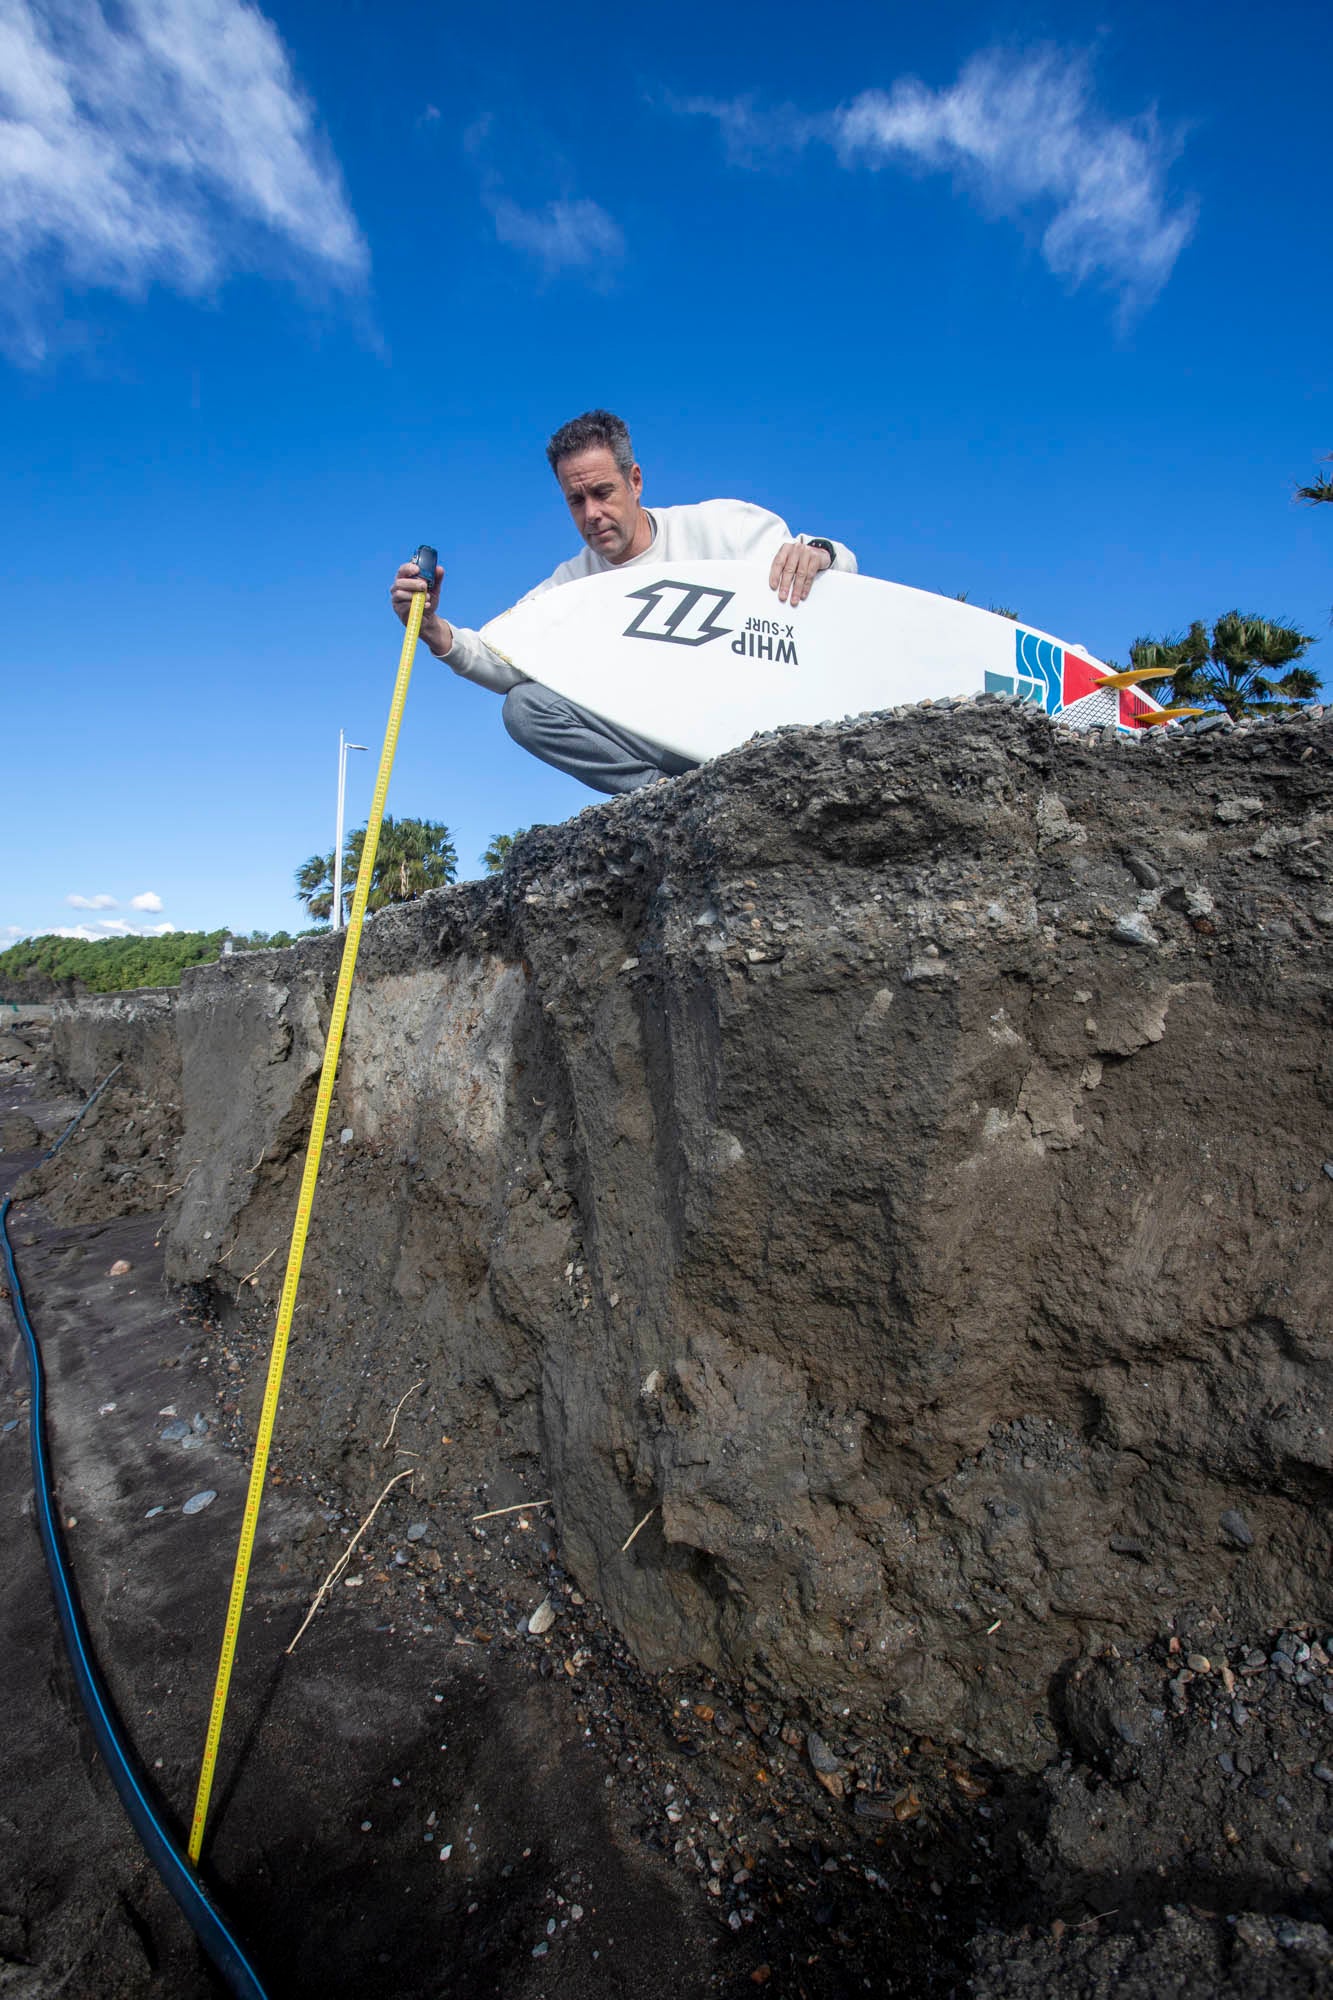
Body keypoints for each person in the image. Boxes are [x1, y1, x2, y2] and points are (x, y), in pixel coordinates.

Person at [390, 409, 857, 795]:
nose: (592, 514)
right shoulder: (571, 584)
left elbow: (834, 566)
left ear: (634, 481)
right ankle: (663, 797)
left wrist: (821, 553)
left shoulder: (723, 527)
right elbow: (503, 655)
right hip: (667, 745)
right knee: (525, 706)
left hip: (754, 722)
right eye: (575, 500)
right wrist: (431, 628)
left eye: (602, 492)